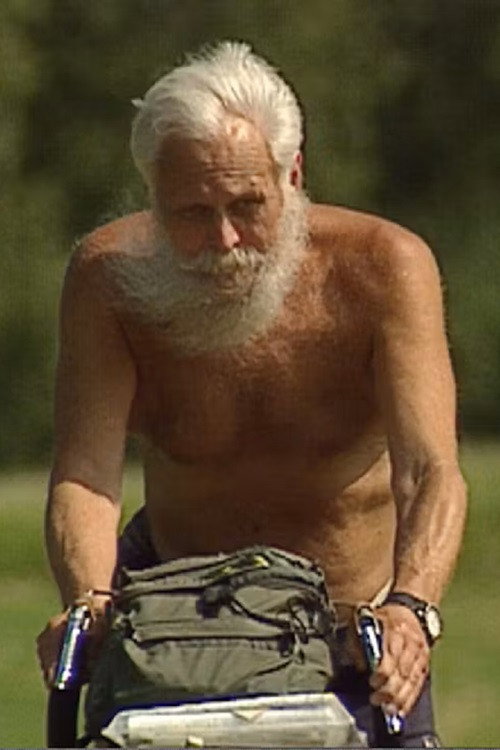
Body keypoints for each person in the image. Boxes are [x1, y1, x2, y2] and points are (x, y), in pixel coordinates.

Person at [37, 41, 467, 747]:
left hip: (351, 632)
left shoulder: (385, 267)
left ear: (291, 175)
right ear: (153, 195)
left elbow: (429, 471)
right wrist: (90, 601)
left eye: (247, 205)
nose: (224, 239)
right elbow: (85, 474)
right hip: (174, 632)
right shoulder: (108, 279)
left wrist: (412, 609)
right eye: (191, 213)